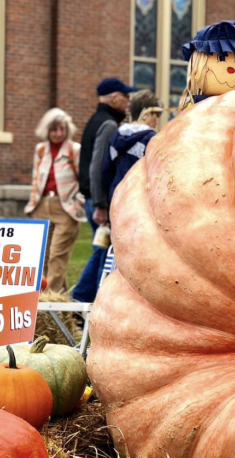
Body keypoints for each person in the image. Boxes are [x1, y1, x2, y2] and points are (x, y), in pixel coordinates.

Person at [72, 78, 135, 303]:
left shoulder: (96, 120)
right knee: (104, 252)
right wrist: (100, 204)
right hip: (99, 202)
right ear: (114, 98)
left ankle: (82, 300)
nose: (128, 102)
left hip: (94, 198)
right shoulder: (108, 124)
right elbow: (98, 165)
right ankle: (87, 300)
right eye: (125, 96)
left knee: (102, 250)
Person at [25, 108, 84, 293]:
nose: (59, 133)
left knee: (57, 256)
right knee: (41, 257)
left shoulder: (75, 150)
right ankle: (62, 301)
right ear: (46, 130)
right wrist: (33, 203)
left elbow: (84, 179)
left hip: (66, 208)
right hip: (42, 205)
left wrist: (79, 201)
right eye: (54, 129)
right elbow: (36, 177)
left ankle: (47, 304)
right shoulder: (41, 150)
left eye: (62, 129)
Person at [102, 90, 164, 207]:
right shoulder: (151, 139)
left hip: (116, 197)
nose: (157, 120)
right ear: (147, 113)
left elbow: (107, 170)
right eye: (156, 115)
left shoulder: (116, 135)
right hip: (139, 201)